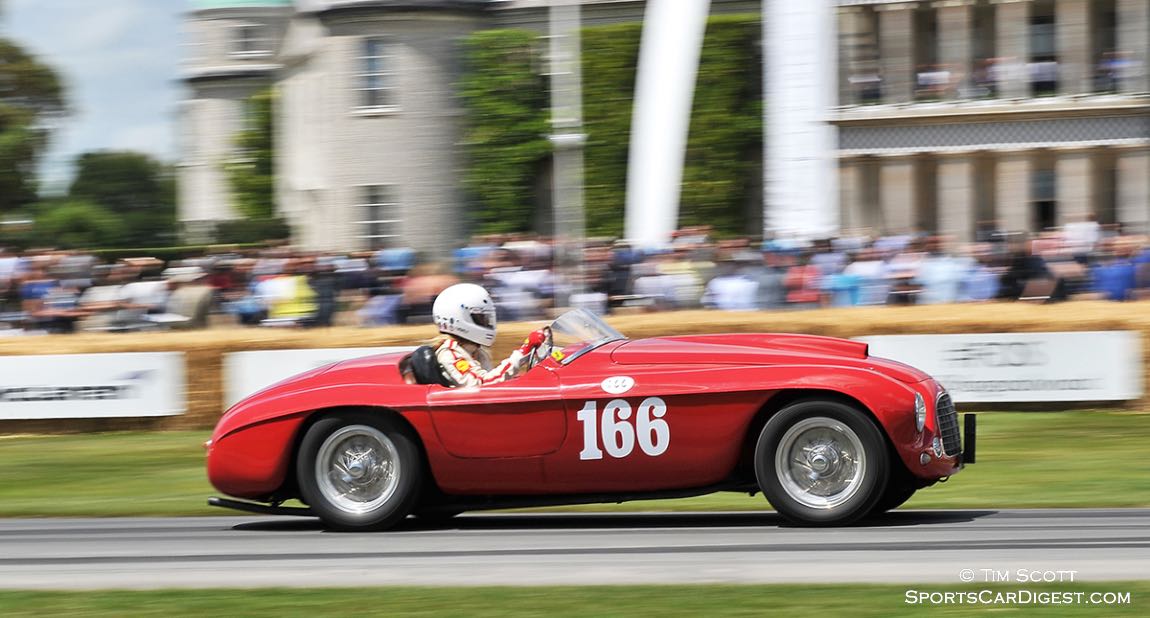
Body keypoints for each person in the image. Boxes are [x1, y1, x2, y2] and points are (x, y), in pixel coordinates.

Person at [431, 283, 547, 387]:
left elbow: (494, 381)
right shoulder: (449, 353)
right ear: (456, 318)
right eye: (481, 318)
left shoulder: (476, 351)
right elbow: (482, 384)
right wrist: (523, 351)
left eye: (486, 319)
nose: (486, 323)